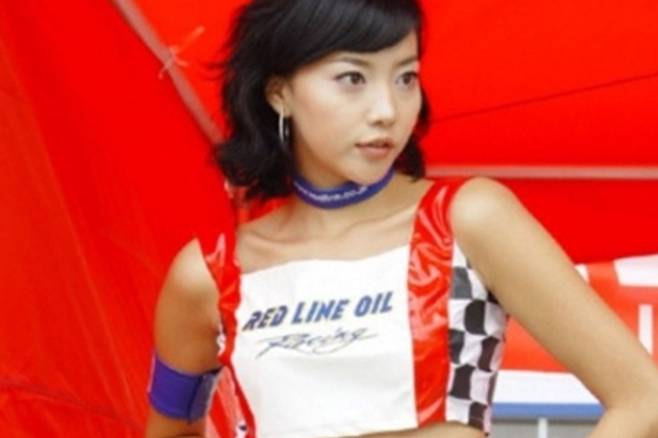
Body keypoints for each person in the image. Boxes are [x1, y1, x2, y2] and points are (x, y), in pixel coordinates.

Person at [144, 1, 658, 437]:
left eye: (405, 77)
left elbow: (645, 401)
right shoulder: (209, 273)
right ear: (279, 92)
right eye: (353, 78)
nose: (387, 110)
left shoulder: (468, 219)